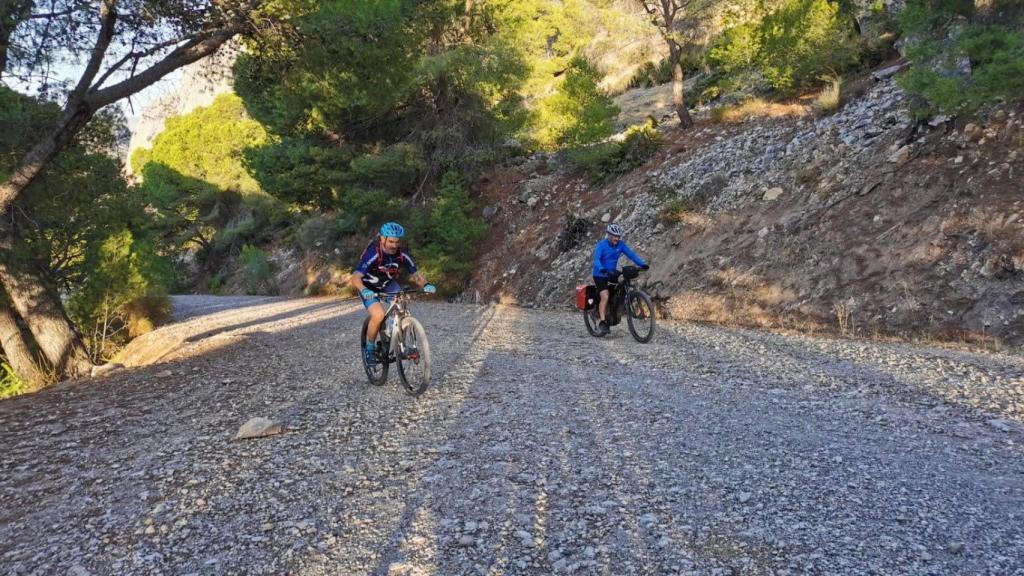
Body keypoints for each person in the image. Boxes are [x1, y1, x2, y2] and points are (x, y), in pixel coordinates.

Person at [350, 221, 435, 366]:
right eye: (391, 241)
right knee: (378, 315)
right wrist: (364, 290)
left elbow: (416, 275)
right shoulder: (373, 253)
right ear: (382, 239)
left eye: (397, 242)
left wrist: (426, 285)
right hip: (368, 286)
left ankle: (398, 338)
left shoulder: (402, 254)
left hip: (387, 284)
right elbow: (355, 277)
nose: (394, 245)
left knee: (402, 306)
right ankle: (370, 349)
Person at [591, 223, 648, 336]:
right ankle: (602, 321)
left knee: (618, 291)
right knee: (605, 296)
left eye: (618, 236)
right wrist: (601, 268)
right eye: (614, 236)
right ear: (609, 235)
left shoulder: (620, 245)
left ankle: (613, 312)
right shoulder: (601, 245)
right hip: (600, 274)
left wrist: (642, 264)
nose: (616, 238)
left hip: (612, 273)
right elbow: (596, 259)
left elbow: (631, 255)